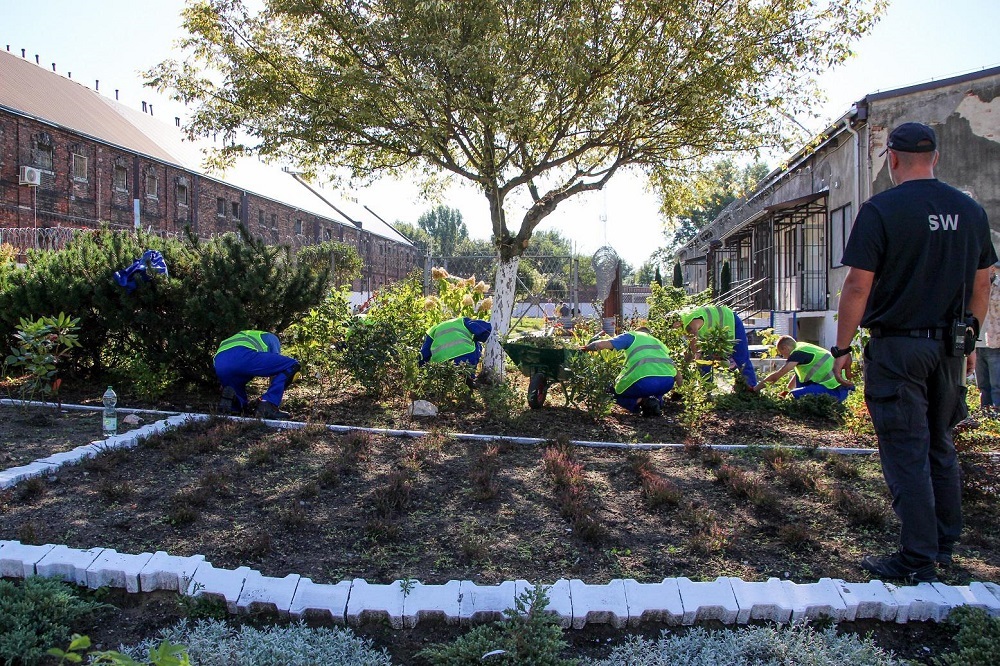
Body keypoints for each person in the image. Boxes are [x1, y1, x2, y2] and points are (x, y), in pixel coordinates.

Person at [832, 122, 997, 583]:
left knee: (906, 449)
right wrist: (969, 338)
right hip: (948, 348)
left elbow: (858, 284)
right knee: (939, 445)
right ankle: (943, 544)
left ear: (894, 159)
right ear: (936, 158)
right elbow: (983, 283)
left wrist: (842, 347)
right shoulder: (970, 211)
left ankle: (916, 557)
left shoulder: (881, 209)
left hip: (898, 348)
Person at [581, 326, 677, 417]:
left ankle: (641, 401)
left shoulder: (632, 336)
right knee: (655, 389)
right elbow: (676, 372)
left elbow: (601, 345)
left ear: (636, 331)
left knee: (612, 392)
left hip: (644, 382)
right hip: (667, 383)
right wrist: (679, 392)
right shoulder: (658, 342)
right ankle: (656, 404)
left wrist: (586, 348)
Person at [215, 330, 301, 420]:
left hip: (219, 362)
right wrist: (272, 397)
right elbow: (275, 371)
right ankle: (268, 405)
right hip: (244, 356)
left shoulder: (243, 335)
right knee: (292, 365)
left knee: (236, 390)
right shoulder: (272, 338)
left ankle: (235, 403)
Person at [675, 305, 758, 387]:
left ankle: (751, 388)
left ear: (676, 323)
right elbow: (692, 349)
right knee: (704, 360)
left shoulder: (690, 324)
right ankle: (706, 389)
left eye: (672, 327)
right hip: (714, 333)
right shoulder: (684, 319)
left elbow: (694, 347)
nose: (673, 330)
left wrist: (694, 356)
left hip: (729, 319)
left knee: (741, 357)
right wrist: (685, 366)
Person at [750, 335, 853, 401]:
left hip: (834, 390)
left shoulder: (797, 354)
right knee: (793, 392)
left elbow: (776, 376)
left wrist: (755, 389)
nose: (784, 357)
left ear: (785, 348)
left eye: (782, 354)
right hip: (838, 387)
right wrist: (784, 393)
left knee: (793, 396)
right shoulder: (802, 347)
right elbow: (797, 377)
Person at [419, 316, 493, 378]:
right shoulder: (462, 321)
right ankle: (470, 379)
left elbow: (424, 354)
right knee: (476, 344)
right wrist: (479, 338)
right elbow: (484, 327)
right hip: (466, 357)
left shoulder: (433, 330)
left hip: (441, 365)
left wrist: (420, 370)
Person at [974, 262, 1000, 409]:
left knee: (997, 386)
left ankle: (996, 420)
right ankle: (985, 417)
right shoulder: (974, 286)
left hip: (995, 343)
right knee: (983, 387)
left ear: (992, 269)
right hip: (977, 343)